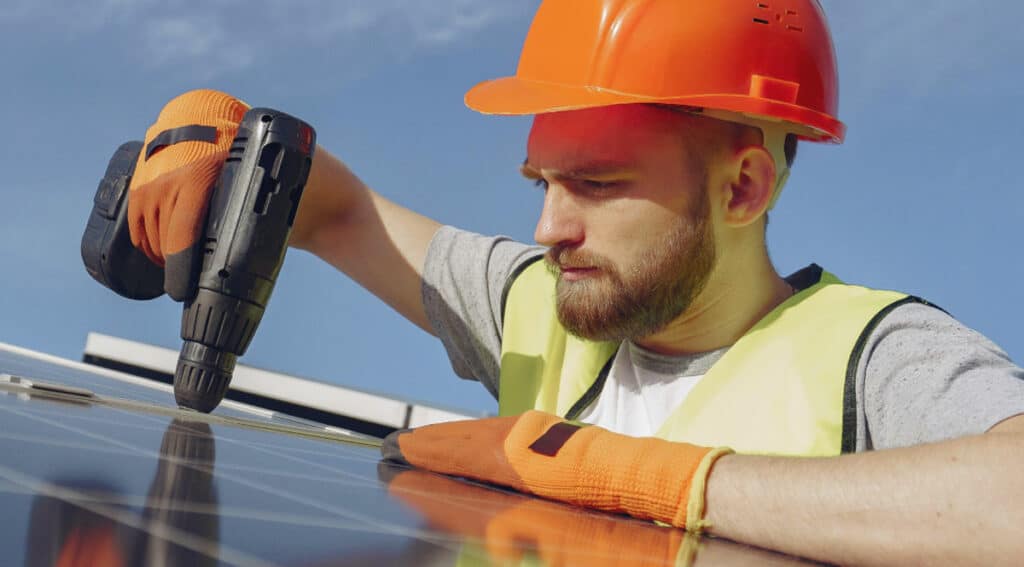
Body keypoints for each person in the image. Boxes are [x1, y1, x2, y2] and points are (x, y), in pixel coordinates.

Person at [124, 1, 1024, 564]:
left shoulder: (872, 355)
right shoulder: (544, 305)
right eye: (541, 183)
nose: (549, 230)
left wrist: (630, 478)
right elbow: (337, 211)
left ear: (742, 187)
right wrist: (223, 132)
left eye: (595, 184)